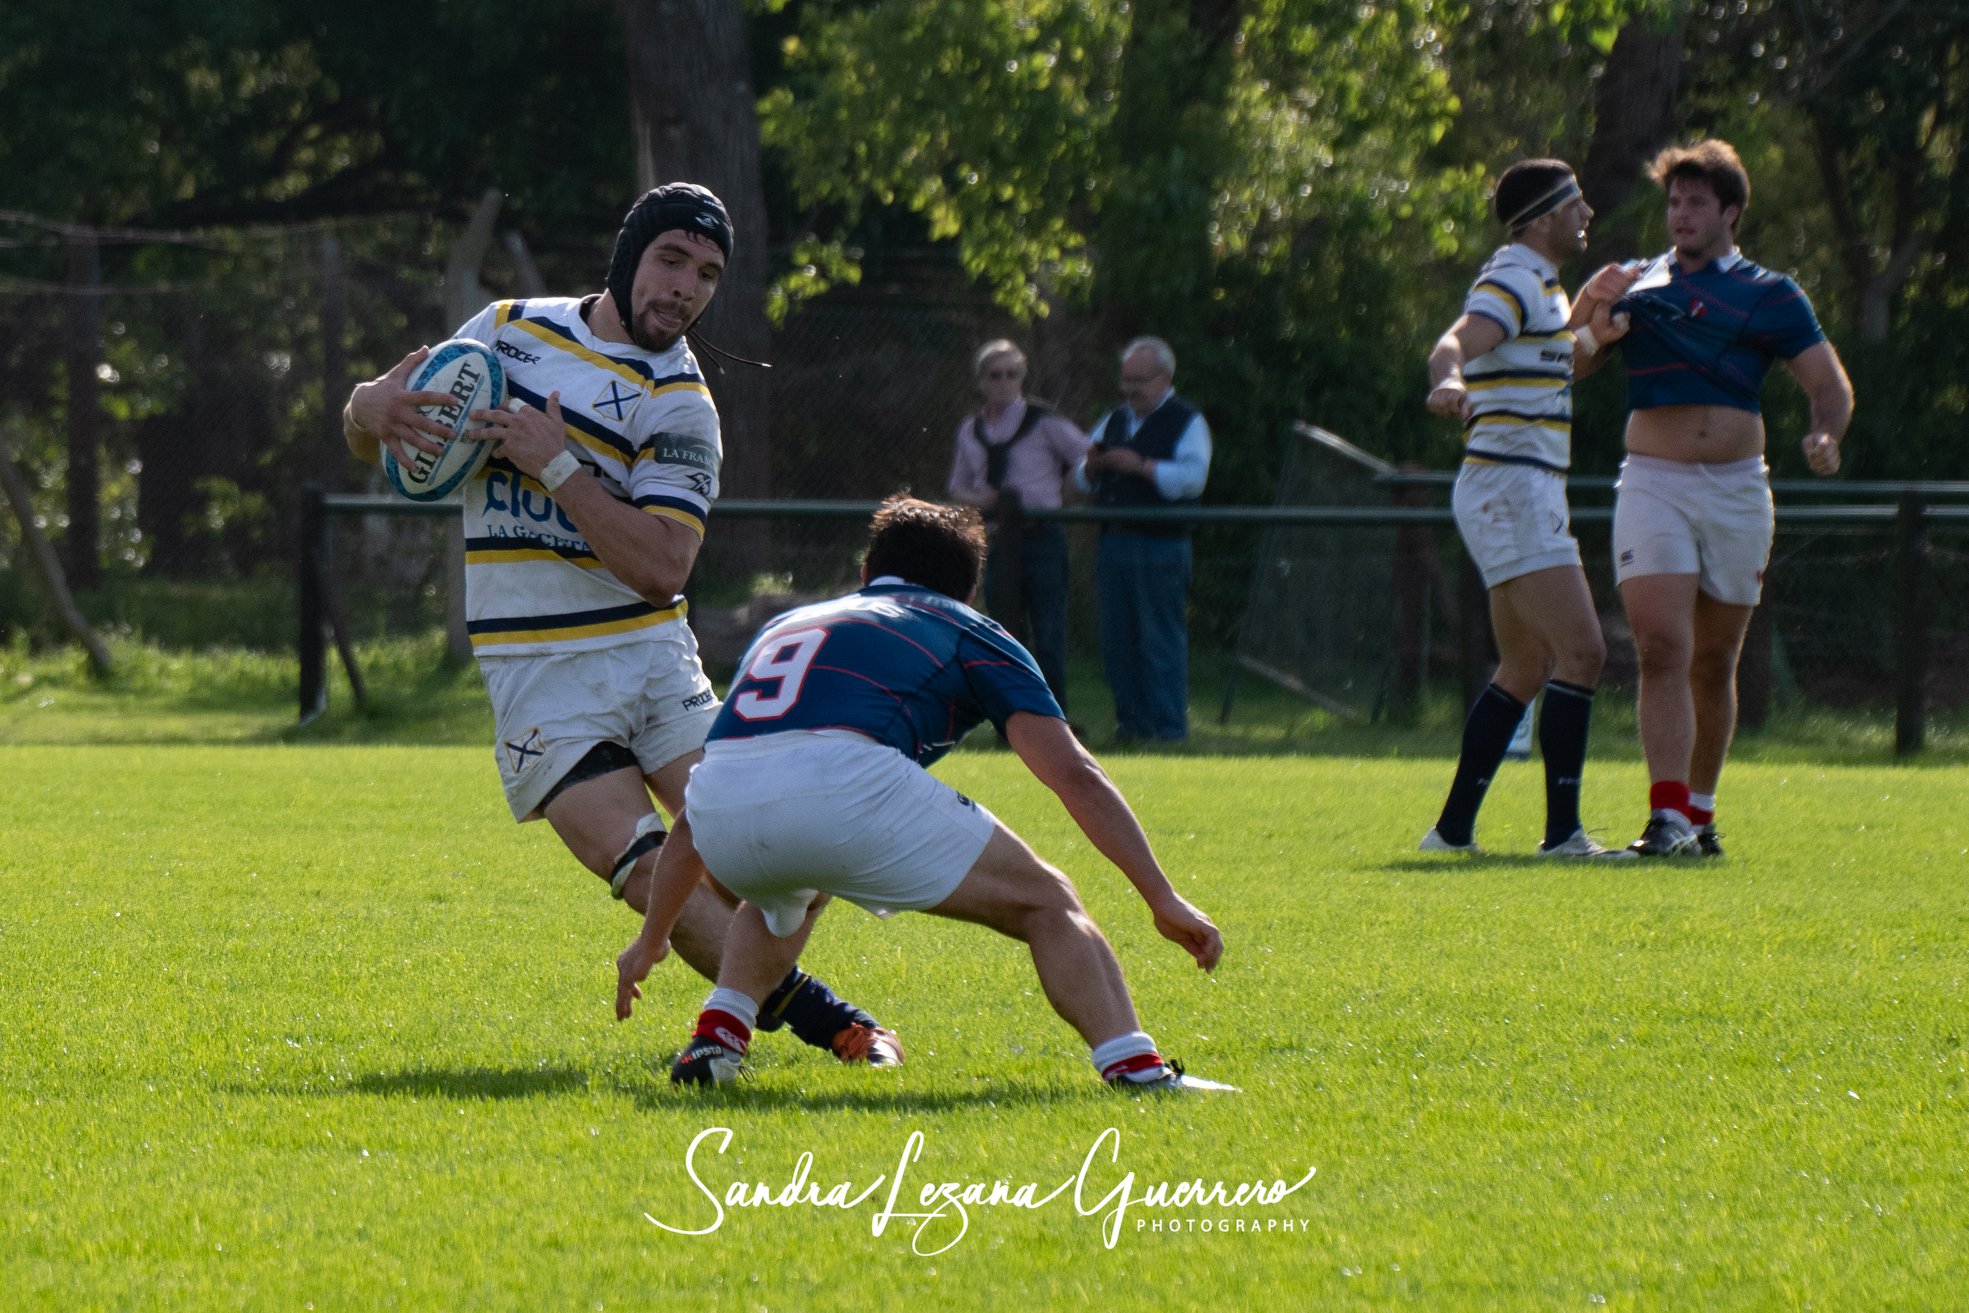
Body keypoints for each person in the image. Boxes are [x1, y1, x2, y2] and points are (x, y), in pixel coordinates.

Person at [341, 182, 899, 1064]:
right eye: (671, 260)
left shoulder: (680, 402)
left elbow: (661, 566)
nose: (683, 288)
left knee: (774, 839)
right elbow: (376, 416)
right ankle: (827, 1021)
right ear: (628, 254)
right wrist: (367, 407)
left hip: (649, 659)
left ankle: (768, 1012)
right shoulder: (508, 328)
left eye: (707, 275)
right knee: (649, 875)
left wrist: (555, 463)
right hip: (538, 671)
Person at [614, 496, 1233, 1093]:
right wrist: (1161, 896)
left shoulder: (789, 624)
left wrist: (652, 939)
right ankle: (1138, 1071)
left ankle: (718, 1038)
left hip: (719, 801)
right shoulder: (969, 628)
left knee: (786, 892)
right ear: (968, 591)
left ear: (865, 574)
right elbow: (1070, 771)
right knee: (1049, 902)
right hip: (841, 782)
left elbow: (698, 810)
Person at [1572, 139, 1854, 857]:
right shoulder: (1634, 283)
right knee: (1661, 644)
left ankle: (1698, 815)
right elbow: (1572, 360)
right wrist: (1590, 317)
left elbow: (1828, 386)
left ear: (1729, 211)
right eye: (1673, 201)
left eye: (1696, 201)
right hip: (1651, 482)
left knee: (1714, 657)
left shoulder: (1771, 294)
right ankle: (1664, 816)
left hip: (1735, 490)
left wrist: (1826, 434)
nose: (1681, 213)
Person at [1417, 158, 1635, 860]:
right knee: (1583, 649)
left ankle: (1450, 833)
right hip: (1511, 485)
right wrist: (1447, 380)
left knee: (1526, 663)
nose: (1586, 214)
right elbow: (1453, 341)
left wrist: (1597, 332)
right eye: (1575, 203)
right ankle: (1563, 833)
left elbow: (1560, 365)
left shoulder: (1541, 284)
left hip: (1514, 484)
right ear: (1542, 217)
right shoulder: (1512, 276)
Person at [1076, 337, 1211, 743]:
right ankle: (1130, 727)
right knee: (1119, 641)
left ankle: (1169, 730)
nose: (1130, 388)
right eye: (1126, 379)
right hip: (1115, 544)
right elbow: (1080, 477)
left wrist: (1142, 466)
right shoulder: (1113, 420)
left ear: (1165, 378)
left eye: (1140, 379)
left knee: (1160, 640)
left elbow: (1192, 480)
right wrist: (1094, 467)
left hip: (1161, 545)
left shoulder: (1188, 421)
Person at [946, 339, 1090, 713]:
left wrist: (1060, 491)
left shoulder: (1044, 421)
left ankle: (1055, 719)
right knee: (1005, 633)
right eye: (996, 375)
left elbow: (1086, 457)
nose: (1005, 382)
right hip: (997, 539)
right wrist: (986, 500)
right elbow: (958, 486)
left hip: (1042, 535)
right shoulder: (970, 429)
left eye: (1013, 374)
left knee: (1049, 634)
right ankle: (1011, 718)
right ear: (981, 381)